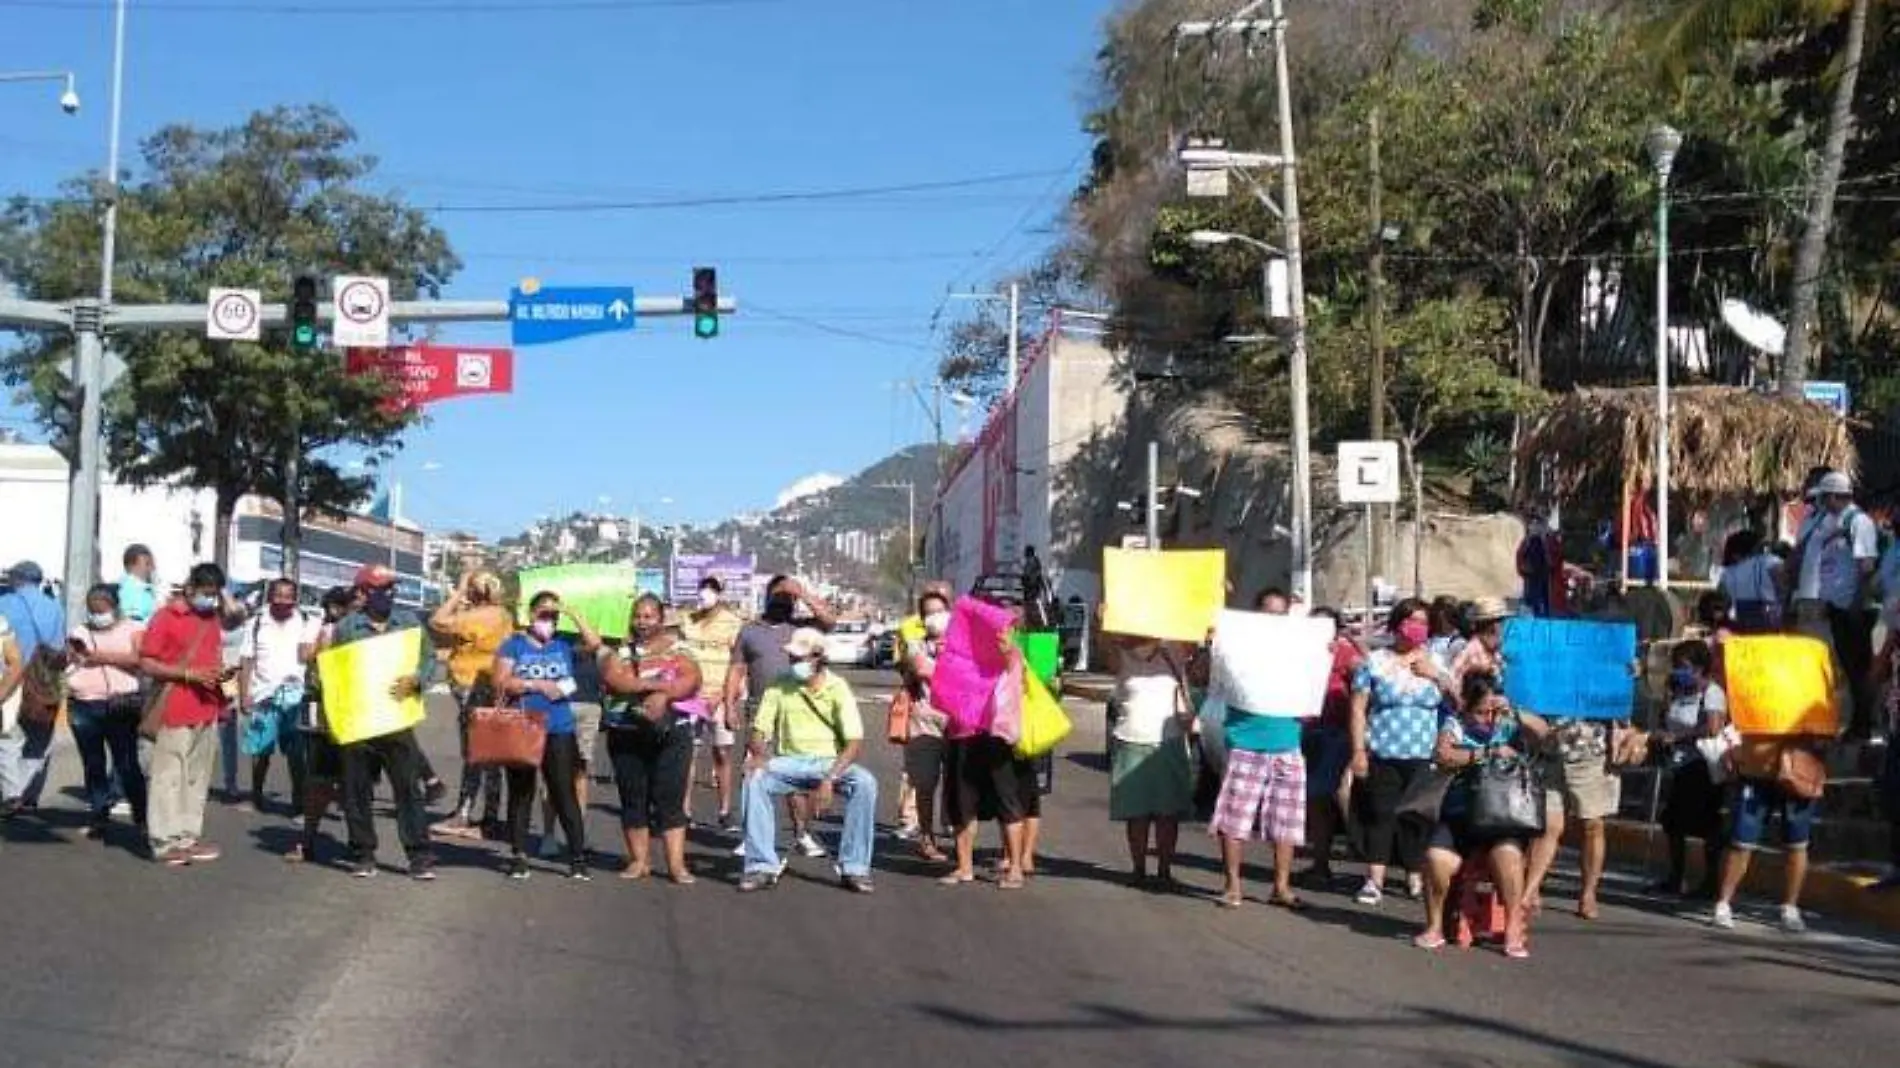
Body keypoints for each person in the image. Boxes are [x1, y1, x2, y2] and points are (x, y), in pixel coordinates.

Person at [1416, 673, 1550, 958]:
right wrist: (1486, 753)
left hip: (1501, 817)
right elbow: (1443, 755)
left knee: (1508, 856)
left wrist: (1513, 712)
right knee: (1436, 860)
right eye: (1480, 712)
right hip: (1460, 815)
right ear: (1467, 706)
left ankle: (1513, 928)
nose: (1487, 718)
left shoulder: (1508, 722)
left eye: (1492, 711)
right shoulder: (1455, 724)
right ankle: (1434, 926)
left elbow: (1544, 733)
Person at [737, 628, 878, 893]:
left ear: (819, 658)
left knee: (865, 783)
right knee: (754, 777)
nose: (795, 664)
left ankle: (855, 867)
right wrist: (759, 754)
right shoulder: (780, 684)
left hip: (828, 762)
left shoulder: (838, 688)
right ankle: (760, 865)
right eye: (792, 658)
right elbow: (760, 730)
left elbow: (854, 742)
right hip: (788, 761)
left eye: (800, 658)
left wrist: (830, 779)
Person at [331, 564, 437, 881]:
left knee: (408, 789)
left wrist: (417, 681)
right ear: (363, 593)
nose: (389, 594)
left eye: (392, 588)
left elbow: (428, 658)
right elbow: (335, 673)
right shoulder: (347, 627)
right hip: (358, 720)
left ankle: (419, 855)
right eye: (382, 588)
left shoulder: (408, 623)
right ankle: (363, 853)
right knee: (356, 789)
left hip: (396, 718)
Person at [724, 575, 834, 858]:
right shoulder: (750, 631)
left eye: (789, 598)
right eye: (780, 595)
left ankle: (802, 833)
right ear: (768, 596)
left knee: (797, 774)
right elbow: (736, 669)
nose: (784, 601)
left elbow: (829, 621)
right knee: (755, 771)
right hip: (760, 707)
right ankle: (753, 836)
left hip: (798, 709)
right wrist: (729, 704)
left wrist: (804, 593)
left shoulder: (802, 629)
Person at [492, 591, 599, 881]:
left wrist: (574, 614)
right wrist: (536, 684)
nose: (548, 621)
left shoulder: (563, 645)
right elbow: (501, 682)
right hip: (523, 725)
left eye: (553, 616)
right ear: (530, 615)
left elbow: (594, 644)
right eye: (543, 614)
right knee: (521, 792)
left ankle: (577, 857)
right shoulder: (513, 645)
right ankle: (519, 855)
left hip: (559, 727)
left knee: (563, 791)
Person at [597, 594, 700, 883]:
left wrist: (665, 695)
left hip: (672, 734)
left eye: (649, 616)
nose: (642, 622)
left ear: (661, 618)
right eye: (638, 616)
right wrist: (655, 686)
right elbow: (615, 679)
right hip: (627, 733)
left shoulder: (679, 649)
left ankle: (677, 865)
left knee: (670, 798)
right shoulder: (621, 651)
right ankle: (639, 861)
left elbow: (691, 679)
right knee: (633, 797)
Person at [1349, 598, 1446, 906]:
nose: (1416, 627)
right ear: (1397, 624)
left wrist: (1436, 675)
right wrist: (1358, 750)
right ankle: (1374, 878)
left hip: (1424, 754)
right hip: (1384, 750)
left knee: (1416, 818)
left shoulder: (1436, 661)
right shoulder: (1375, 661)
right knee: (1380, 813)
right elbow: (1358, 708)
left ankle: (1414, 876)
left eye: (1423, 621)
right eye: (1411, 620)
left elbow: (1462, 702)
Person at [138, 563, 234, 866]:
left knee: (196, 778)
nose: (211, 600)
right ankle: (164, 842)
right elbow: (147, 663)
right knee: (168, 777)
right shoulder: (165, 617)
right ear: (190, 587)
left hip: (207, 708)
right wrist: (188, 674)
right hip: (174, 707)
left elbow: (236, 616)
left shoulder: (213, 618)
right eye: (207, 593)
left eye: (215, 594)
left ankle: (187, 837)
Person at [1787, 471, 1879, 738]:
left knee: (1858, 669)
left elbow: (1866, 566)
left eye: (1826, 498)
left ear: (1836, 496)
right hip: (1835, 607)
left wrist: (1855, 603)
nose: (1822, 503)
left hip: (1852, 608)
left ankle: (1863, 724)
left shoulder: (1858, 522)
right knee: (1846, 668)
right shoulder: (1828, 521)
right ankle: (1852, 723)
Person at [427, 570, 514, 840]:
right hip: (490, 687)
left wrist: (459, 591)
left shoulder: (481, 615)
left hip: (474, 689)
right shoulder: (503, 616)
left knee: (475, 754)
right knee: (490, 756)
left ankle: (464, 814)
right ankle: (489, 816)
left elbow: (438, 621)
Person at [1713, 734, 1828, 934]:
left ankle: (1790, 907)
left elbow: (1823, 728)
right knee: (1742, 841)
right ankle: (1723, 903)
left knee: (1797, 843)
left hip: (1797, 767)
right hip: (1757, 768)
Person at [1107, 631, 1195, 888]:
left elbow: (1199, 632)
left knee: (1168, 814)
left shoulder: (1174, 648)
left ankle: (1164, 871)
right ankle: (1139, 869)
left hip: (1168, 740)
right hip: (1130, 738)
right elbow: (1109, 658)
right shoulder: (1120, 650)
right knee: (1137, 814)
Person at [64, 584, 148, 841]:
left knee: (126, 764)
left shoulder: (133, 628)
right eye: (92, 610)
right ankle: (99, 815)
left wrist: (99, 656)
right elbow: (72, 659)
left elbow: (139, 660)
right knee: (93, 763)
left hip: (120, 705)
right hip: (84, 704)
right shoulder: (80, 631)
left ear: (114, 607)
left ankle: (141, 816)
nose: (97, 615)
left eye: (101, 610)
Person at [285, 587, 356, 864]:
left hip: (354, 713)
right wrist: (323, 641)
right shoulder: (318, 627)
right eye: (335, 607)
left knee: (354, 782)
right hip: (322, 708)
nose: (338, 612)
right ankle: (308, 839)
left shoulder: (360, 629)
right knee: (318, 780)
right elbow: (304, 656)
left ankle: (357, 840)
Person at [237, 578, 317, 813]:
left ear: (295, 599)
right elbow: (247, 660)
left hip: (296, 697)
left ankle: (299, 802)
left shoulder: (307, 622)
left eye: (288, 596)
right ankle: (256, 796)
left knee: (297, 754)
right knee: (260, 751)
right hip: (263, 696)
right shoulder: (256, 623)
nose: (283, 601)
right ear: (270, 597)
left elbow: (310, 657)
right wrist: (244, 695)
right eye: (278, 595)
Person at [1655, 640, 1728, 898]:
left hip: (1702, 766)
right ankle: (1676, 877)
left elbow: (1713, 727)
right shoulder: (1679, 691)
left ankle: (1710, 882)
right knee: (1673, 823)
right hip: (1678, 763)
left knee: (1706, 824)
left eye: (1684, 666)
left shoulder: (1712, 693)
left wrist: (1680, 737)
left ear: (1699, 667)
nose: (1679, 671)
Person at [0, 561, 69, 820]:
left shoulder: (4, 604)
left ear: (17, 579)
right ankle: (27, 796)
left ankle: (11, 793)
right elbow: (60, 647)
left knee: (7, 739)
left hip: (9, 679)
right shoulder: (54, 607)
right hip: (43, 682)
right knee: (40, 741)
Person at [679, 575, 744, 831]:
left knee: (722, 752)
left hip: (719, 696)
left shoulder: (732, 623)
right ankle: (683, 810)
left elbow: (738, 664)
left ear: (720, 594)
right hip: (691, 696)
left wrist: (725, 697)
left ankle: (725, 809)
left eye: (712, 589)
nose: (706, 593)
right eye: (703, 588)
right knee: (688, 753)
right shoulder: (689, 620)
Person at [1303, 606, 1362, 885]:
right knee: (1314, 799)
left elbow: (1364, 678)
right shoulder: (1299, 651)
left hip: (1332, 732)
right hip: (1302, 728)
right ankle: (1319, 862)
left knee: (1322, 796)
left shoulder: (1344, 651)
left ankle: (1324, 862)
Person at [897, 592, 953, 862]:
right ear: (922, 619)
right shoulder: (914, 644)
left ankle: (957, 836)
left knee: (959, 784)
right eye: (929, 613)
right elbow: (921, 670)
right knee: (926, 783)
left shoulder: (961, 643)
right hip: (925, 720)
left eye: (940, 611)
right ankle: (927, 838)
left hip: (958, 722)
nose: (936, 617)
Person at [1718, 528, 1783, 633]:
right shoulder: (1769, 562)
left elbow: (1722, 603)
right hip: (1771, 624)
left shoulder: (1727, 574)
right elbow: (1785, 585)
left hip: (1743, 625)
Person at [1447, 597, 1511, 704]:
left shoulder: (1494, 652)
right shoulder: (1470, 652)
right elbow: (1453, 682)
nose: (1502, 627)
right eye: (1501, 622)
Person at [117, 544, 161, 624]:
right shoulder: (130, 588)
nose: (152, 568)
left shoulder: (144, 589)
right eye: (147, 564)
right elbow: (133, 621)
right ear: (131, 565)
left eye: (152, 564)